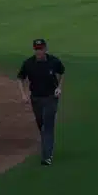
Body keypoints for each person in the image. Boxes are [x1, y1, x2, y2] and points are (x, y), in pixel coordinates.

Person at [17, 38, 66, 166]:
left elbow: (62, 72)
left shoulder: (53, 61)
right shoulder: (29, 63)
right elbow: (20, 78)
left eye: (41, 49)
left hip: (51, 98)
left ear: (45, 49)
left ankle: (47, 156)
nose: (39, 51)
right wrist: (23, 94)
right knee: (41, 125)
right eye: (37, 49)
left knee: (48, 126)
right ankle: (47, 146)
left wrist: (59, 88)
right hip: (36, 98)